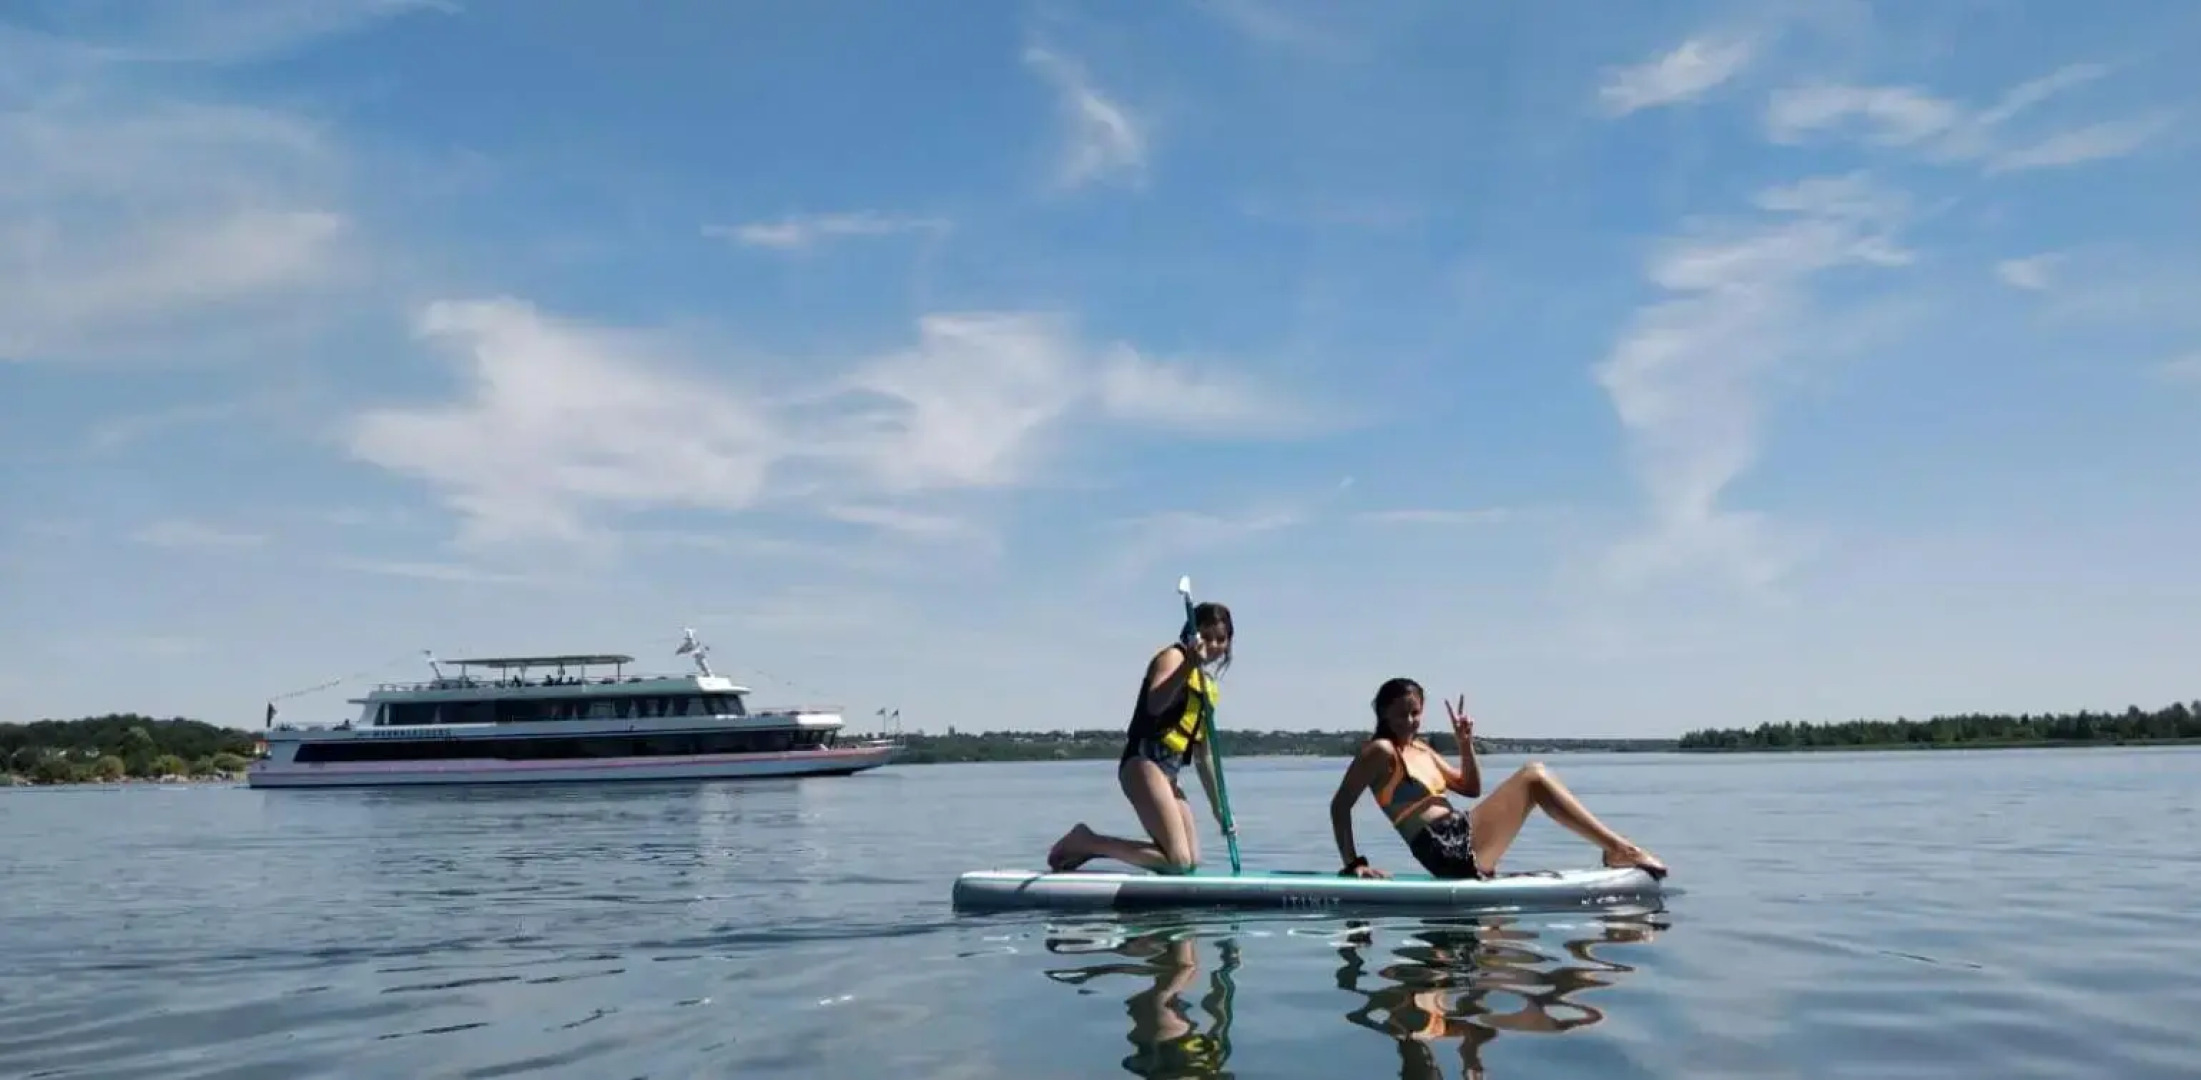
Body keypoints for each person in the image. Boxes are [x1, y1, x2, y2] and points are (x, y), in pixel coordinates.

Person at [1329, 677, 1666, 881]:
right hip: (1441, 847)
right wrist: (1354, 864)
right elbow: (1340, 806)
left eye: (1416, 712)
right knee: (1534, 775)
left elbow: (1471, 789)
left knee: (1535, 777)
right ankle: (1621, 849)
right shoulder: (1380, 751)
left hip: (1463, 832)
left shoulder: (1423, 749)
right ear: (1384, 713)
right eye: (1402, 713)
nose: (1411, 720)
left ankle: (1617, 849)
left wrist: (1465, 744)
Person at [1046, 601, 1236, 875]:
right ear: (1192, 635)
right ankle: (1086, 842)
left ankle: (1094, 849)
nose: (1214, 645)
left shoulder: (1207, 687)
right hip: (1143, 763)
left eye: (1221, 639)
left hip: (1168, 776)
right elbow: (1155, 704)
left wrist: (1220, 811)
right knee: (1178, 861)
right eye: (1206, 637)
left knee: (1192, 862)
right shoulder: (1174, 658)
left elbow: (1203, 756)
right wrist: (1187, 667)